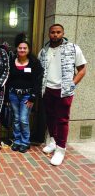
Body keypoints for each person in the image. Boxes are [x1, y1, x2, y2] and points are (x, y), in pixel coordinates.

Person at [38, 24, 87, 165]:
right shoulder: (44, 50)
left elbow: (82, 70)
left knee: (62, 120)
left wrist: (72, 84)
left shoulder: (73, 48)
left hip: (64, 91)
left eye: (58, 32)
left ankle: (60, 149)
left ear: (63, 33)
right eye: (52, 32)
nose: (55, 35)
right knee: (50, 117)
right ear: (49, 34)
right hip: (48, 89)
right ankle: (53, 141)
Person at [7, 33, 43, 153]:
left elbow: (38, 81)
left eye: (25, 48)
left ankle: (25, 142)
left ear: (28, 50)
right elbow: (8, 79)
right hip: (13, 94)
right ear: (17, 49)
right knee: (16, 119)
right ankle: (17, 141)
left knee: (23, 119)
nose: (22, 50)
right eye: (20, 48)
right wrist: (7, 95)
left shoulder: (34, 63)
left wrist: (33, 96)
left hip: (27, 96)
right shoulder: (11, 61)